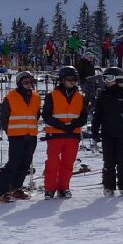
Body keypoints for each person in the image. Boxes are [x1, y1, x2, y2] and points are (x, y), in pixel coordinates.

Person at [92, 68, 123, 197]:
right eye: (105, 78)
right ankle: (108, 186)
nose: (107, 81)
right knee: (109, 162)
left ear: (118, 79)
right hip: (107, 134)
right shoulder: (103, 95)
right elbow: (97, 115)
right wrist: (95, 130)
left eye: (110, 78)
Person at [41, 66, 87, 199]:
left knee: (68, 164)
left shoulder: (80, 97)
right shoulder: (52, 96)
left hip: (73, 135)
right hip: (55, 135)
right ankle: (49, 189)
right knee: (52, 163)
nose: (72, 82)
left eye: (74, 79)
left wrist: (73, 125)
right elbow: (46, 115)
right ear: (62, 80)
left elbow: (84, 117)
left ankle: (63, 188)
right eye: (69, 79)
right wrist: (61, 126)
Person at [0, 71, 41, 202]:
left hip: (31, 134)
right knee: (13, 163)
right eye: (26, 82)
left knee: (25, 163)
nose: (29, 85)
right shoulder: (10, 97)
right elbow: (4, 117)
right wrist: (9, 131)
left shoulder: (36, 96)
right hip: (16, 135)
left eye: (31, 82)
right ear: (19, 83)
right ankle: (3, 190)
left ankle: (16, 187)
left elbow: (37, 114)